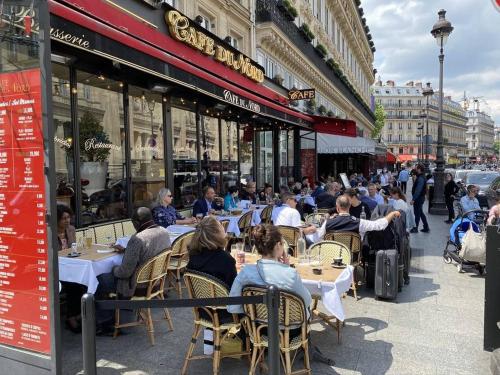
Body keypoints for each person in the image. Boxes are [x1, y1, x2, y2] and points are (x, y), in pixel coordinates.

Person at [96, 207, 171, 333]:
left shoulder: (137, 238)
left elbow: (124, 272)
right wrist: (126, 251)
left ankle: (106, 323)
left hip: (138, 286)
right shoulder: (163, 231)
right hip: (156, 282)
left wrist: (113, 269)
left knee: (99, 279)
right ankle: (121, 314)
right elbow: (148, 253)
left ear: (136, 222)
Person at [227, 225, 312, 316]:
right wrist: (287, 268)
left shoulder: (246, 272)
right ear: (278, 245)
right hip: (289, 328)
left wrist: (253, 311)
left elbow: (233, 306)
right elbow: (307, 301)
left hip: (257, 327)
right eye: (282, 243)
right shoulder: (291, 274)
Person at [308, 195, 401, 241]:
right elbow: (379, 225)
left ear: (337, 208)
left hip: (331, 255)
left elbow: (318, 238)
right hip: (352, 257)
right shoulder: (358, 222)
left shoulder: (328, 223)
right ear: (349, 207)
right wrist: (392, 213)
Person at [57, 204, 84, 333]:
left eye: (68, 217)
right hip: (56, 270)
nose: (67, 220)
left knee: (83, 281)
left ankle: (78, 313)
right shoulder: (49, 232)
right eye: (64, 218)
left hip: (70, 266)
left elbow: (74, 247)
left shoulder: (71, 229)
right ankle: (71, 317)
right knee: (74, 285)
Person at [187, 216, 237, 287]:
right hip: (223, 297)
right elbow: (234, 288)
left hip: (198, 295)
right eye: (221, 226)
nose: (223, 228)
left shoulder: (193, 254)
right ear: (217, 233)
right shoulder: (226, 260)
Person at [410, 164, 430, 233]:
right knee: (420, 213)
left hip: (418, 198)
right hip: (420, 198)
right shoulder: (421, 177)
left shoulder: (421, 178)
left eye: (416, 168)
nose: (415, 169)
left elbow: (418, 190)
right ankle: (426, 227)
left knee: (417, 213)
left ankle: (416, 228)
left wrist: (413, 199)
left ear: (419, 169)